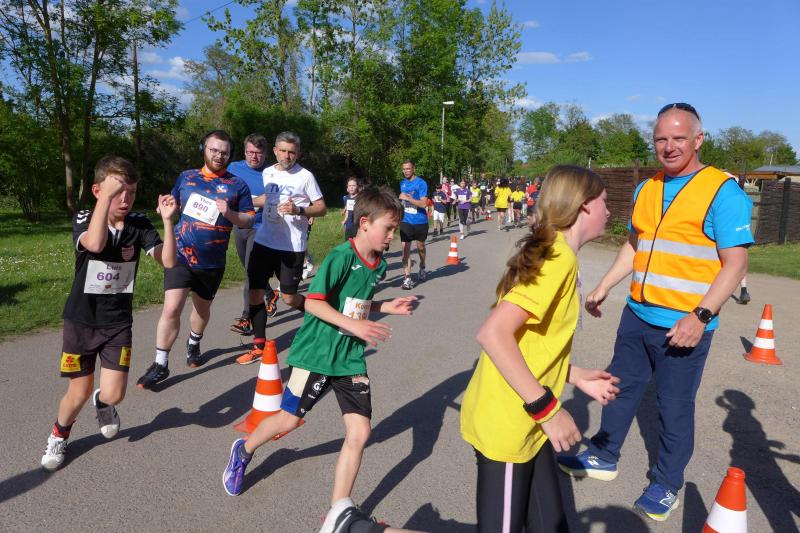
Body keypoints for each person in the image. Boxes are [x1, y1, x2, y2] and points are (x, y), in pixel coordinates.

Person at [556, 103, 753, 522]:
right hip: (637, 314)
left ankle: (666, 484)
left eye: (679, 138)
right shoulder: (647, 188)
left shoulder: (722, 191)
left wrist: (700, 317)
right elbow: (635, 244)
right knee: (618, 386)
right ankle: (604, 454)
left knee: (673, 406)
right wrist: (605, 285)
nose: (669, 146)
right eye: (661, 138)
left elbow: (736, 264)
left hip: (684, 324)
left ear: (698, 140)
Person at [221, 187, 417, 533]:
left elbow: (354, 304)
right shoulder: (341, 257)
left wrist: (385, 306)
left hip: (350, 357)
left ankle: (338, 511)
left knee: (360, 431)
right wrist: (355, 325)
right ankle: (244, 450)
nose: (393, 235)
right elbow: (313, 302)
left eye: (395, 228)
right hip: (317, 353)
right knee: (288, 420)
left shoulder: (378, 265)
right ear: (365, 223)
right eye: (388, 228)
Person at [460, 165, 620, 532]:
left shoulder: (557, 253)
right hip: (508, 423)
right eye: (604, 201)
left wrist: (573, 375)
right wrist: (549, 412)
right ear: (584, 206)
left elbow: (529, 343)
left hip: (527, 419)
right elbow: (494, 334)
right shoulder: (557, 260)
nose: (609, 210)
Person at [41, 156, 178, 470]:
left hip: (117, 323)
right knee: (78, 391)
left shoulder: (139, 224)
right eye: (118, 192)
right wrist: (105, 199)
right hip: (81, 322)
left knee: (114, 394)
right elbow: (95, 243)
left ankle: (103, 404)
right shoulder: (86, 217)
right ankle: (59, 434)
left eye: (131, 192)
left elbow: (169, 261)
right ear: (97, 190)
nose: (125, 199)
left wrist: (169, 222)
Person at [137, 130, 255, 389]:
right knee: (171, 308)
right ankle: (160, 363)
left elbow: (248, 220)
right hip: (180, 254)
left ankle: (194, 341)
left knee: (201, 310)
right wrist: (165, 207)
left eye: (224, 152)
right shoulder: (186, 177)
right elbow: (174, 204)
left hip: (212, 261)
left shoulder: (238, 185)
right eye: (214, 150)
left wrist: (230, 213)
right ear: (204, 149)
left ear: (230, 155)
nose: (218, 155)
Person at [236, 131, 327, 365]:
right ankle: (259, 345)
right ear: (275, 151)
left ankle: (322, 319)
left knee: (288, 298)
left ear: (298, 154)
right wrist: (241, 202)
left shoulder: (305, 176)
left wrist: (299, 210)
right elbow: (266, 198)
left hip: (291, 247)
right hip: (264, 242)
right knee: (255, 293)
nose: (287, 156)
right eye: (283, 151)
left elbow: (321, 207)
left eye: (292, 152)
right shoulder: (267, 172)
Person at [228, 134, 280, 337]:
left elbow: (272, 197)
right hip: (240, 225)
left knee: (250, 273)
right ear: (244, 151)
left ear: (265, 154)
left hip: (260, 227)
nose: (254, 157)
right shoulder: (234, 168)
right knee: (249, 269)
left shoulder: (272, 172)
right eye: (250, 152)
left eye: (258, 153)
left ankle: (246, 318)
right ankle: (269, 293)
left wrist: (246, 202)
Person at [398, 160, 429, 290]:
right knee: (405, 250)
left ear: (413, 169)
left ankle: (422, 265)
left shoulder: (421, 183)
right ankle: (407, 279)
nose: (406, 171)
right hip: (406, 221)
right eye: (404, 169)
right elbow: (402, 202)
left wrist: (408, 198)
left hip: (420, 221)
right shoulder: (402, 183)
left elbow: (424, 203)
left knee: (420, 247)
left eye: (408, 169)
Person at [342, 176, 361, 241]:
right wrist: (344, 220)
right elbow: (347, 209)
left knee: (357, 243)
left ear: (357, 187)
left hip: (357, 226)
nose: (351, 187)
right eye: (349, 186)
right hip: (348, 225)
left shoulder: (360, 198)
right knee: (348, 243)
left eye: (353, 185)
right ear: (347, 188)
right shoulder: (346, 198)